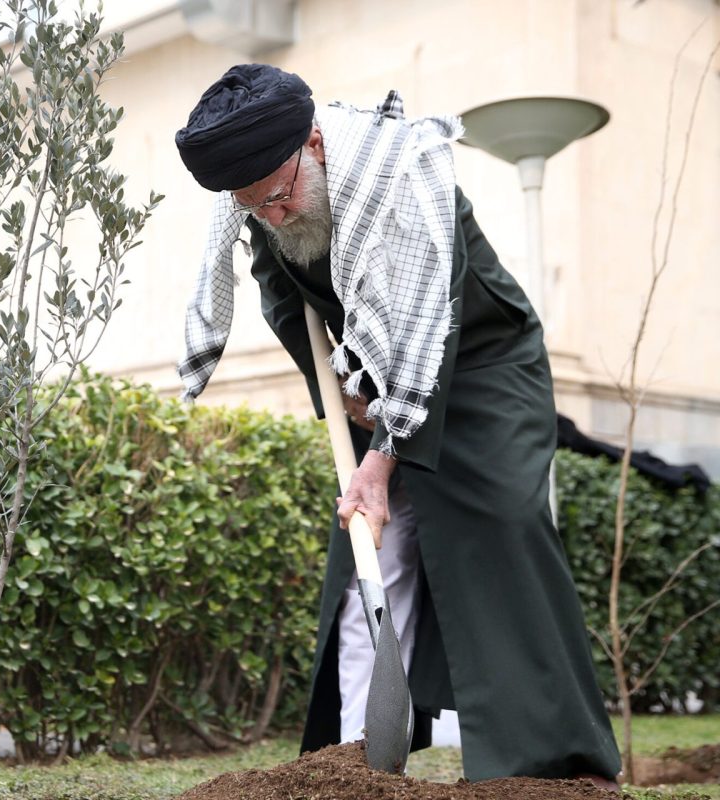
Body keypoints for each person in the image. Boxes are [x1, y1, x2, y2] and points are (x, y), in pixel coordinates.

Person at [173, 63, 621, 787]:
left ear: (314, 142)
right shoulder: (262, 198)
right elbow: (288, 305)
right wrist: (349, 400)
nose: (275, 216)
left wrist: (382, 456)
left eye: (280, 197)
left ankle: (550, 764)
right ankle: (358, 764)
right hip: (372, 373)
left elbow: (428, 333)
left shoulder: (407, 173)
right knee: (372, 559)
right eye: (254, 207)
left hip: (478, 363)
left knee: (501, 522)